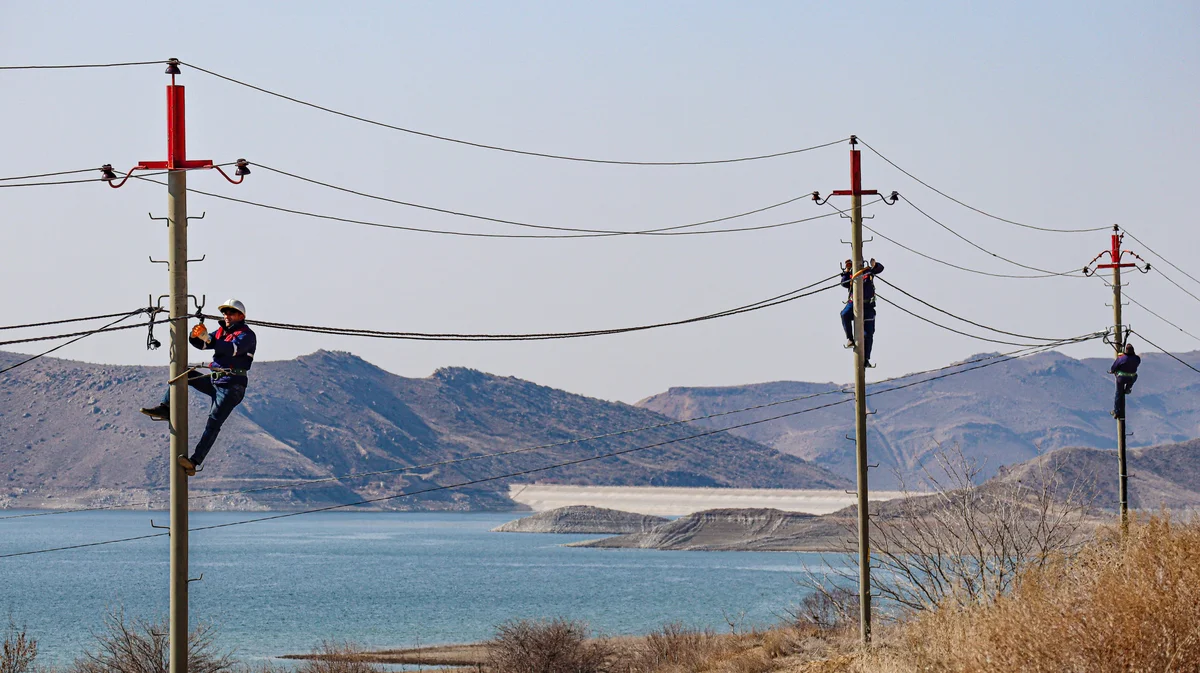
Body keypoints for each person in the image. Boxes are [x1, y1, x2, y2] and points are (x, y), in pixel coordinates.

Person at [140, 299, 257, 476]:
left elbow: (231, 349)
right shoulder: (222, 332)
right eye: (225, 313)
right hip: (216, 380)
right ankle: (166, 408)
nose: (226, 316)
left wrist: (207, 338)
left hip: (232, 386)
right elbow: (204, 344)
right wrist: (195, 336)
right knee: (184, 373)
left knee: (213, 423)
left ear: (241, 316)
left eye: (231, 313)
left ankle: (194, 462)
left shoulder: (247, 335)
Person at [840, 258, 884, 367]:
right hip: (854, 303)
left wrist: (874, 265)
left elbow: (880, 268)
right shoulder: (850, 274)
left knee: (867, 334)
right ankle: (850, 338)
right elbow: (844, 283)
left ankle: (866, 359)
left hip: (868, 305)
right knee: (844, 314)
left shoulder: (868, 271)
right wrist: (847, 270)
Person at [1109, 342, 1141, 420]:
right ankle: (1128, 388)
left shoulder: (1121, 358)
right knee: (1135, 376)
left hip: (1121, 378)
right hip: (1131, 378)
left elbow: (1113, 368)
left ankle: (1116, 412)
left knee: (1118, 393)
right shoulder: (1137, 358)